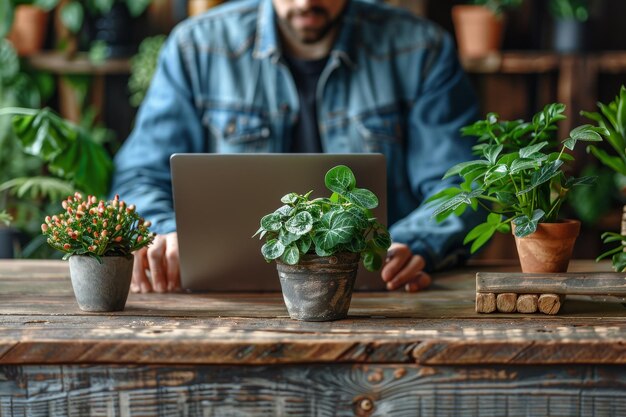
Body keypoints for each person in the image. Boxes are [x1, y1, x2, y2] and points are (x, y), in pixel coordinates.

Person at [111, 0, 480, 294]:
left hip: (377, 297)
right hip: (226, 302)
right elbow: (139, 175)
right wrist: (166, 233)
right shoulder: (196, 48)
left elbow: (460, 184)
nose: (306, 2)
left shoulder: (422, 50)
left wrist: (412, 243)